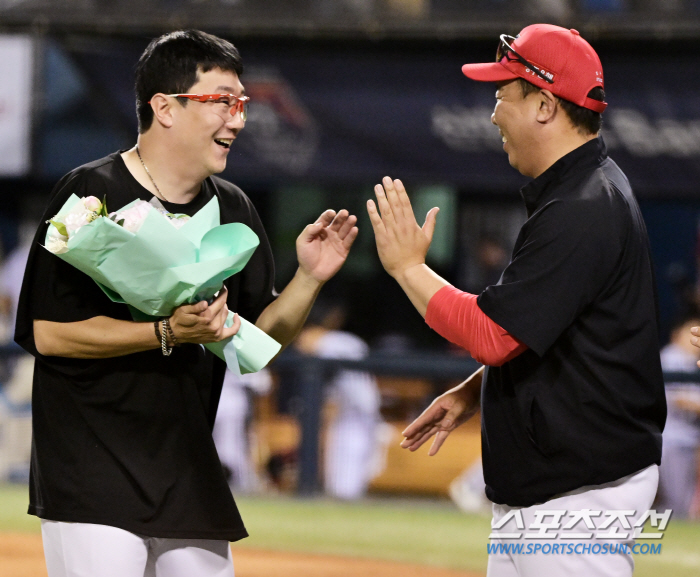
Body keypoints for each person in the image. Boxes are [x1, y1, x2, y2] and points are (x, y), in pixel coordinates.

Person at [15, 30, 358, 577]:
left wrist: (309, 279)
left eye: (240, 103)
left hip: (188, 468)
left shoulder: (234, 208)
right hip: (91, 471)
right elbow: (50, 333)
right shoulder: (89, 194)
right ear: (165, 108)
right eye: (222, 100)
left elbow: (255, 347)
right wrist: (165, 334)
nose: (238, 118)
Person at [367, 24, 666, 577]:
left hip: (579, 496)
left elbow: (492, 335)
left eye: (504, 94)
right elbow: (553, 336)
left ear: (546, 106)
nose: (493, 113)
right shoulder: (580, 194)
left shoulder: (583, 206)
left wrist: (408, 269)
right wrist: (475, 391)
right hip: (557, 490)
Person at [294, 297, 382, 499]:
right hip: (357, 416)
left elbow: (310, 346)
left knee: (343, 489)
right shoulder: (348, 341)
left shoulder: (331, 343)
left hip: (355, 418)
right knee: (343, 487)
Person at [659, 313, 700, 518]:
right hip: (671, 439)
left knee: (681, 500)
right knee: (678, 501)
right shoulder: (671, 355)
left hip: (686, 439)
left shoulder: (692, 362)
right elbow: (679, 399)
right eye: (690, 332)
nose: (695, 340)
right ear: (676, 335)